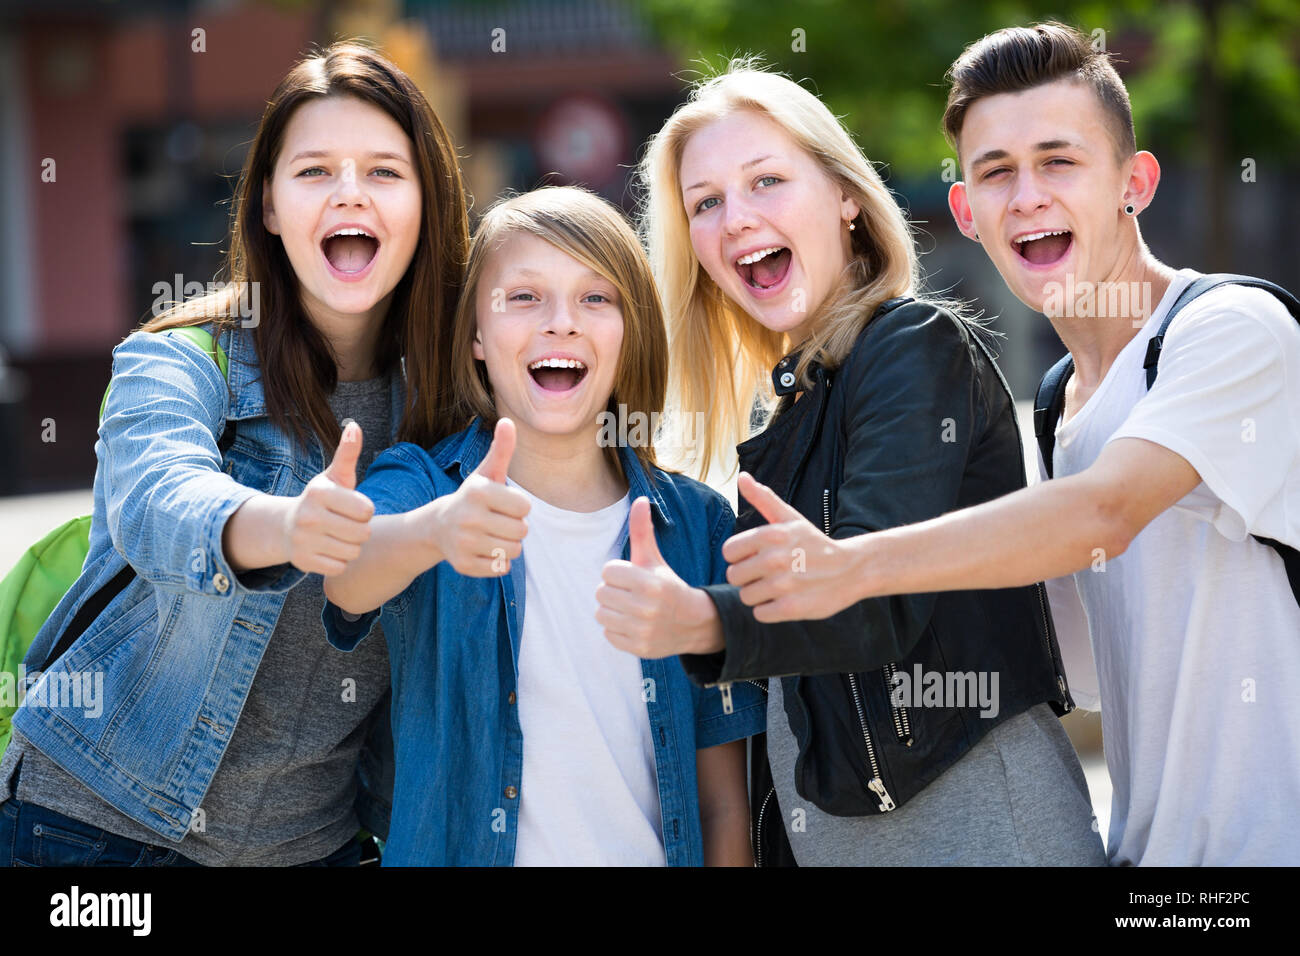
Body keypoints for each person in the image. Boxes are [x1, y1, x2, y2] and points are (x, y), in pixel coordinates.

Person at [715, 23, 1300, 866]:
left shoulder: (1230, 331)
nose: (1026, 195)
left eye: (1059, 162)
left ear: (1134, 183)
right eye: (996, 172)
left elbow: (1103, 513)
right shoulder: (1061, 407)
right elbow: (1079, 665)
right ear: (966, 211)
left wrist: (856, 563)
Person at [610, 60, 1106, 866]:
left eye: (766, 181)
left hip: (976, 827)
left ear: (847, 199)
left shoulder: (912, 348)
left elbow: (875, 598)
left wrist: (703, 620)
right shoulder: (791, 406)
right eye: (707, 203)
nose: (737, 219)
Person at [0, 40, 469, 866]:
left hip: (315, 847)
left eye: (385, 172)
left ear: (429, 202)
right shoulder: (180, 359)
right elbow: (156, 503)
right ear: (269, 206)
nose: (349, 193)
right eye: (315, 171)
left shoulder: (453, 405)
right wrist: (287, 527)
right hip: (97, 830)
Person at [320, 186, 764, 867]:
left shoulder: (699, 525)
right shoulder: (423, 485)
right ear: (474, 334)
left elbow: (722, 802)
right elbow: (347, 578)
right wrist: (438, 533)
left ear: (632, 331)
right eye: (523, 297)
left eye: (596, 297)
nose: (561, 322)